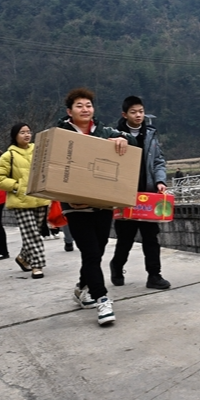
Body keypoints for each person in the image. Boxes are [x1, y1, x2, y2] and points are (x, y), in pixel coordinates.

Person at [58, 87, 136, 326]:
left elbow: (133, 140)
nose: (85, 109)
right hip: (75, 205)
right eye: (79, 106)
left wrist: (122, 139)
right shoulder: (61, 134)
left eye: (88, 105)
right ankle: (102, 299)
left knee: (98, 249)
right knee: (91, 252)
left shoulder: (103, 131)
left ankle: (82, 286)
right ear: (69, 111)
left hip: (102, 203)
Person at [109, 95, 171, 290]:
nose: (138, 115)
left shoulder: (151, 134)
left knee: (151, 237)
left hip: (148, 195)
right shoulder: (113, 135)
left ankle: (154, 275)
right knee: (125, 238)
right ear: (124, 114)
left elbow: (159, 160)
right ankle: (117, 266)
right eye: (134, 112)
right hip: (125, 197)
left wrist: (160, 181)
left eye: (141, 111)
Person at [0, 123, 51, 279]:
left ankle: (23, 258)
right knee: (32, 233)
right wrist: (16, 186)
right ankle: (37, 265)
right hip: (21, 200)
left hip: (40, 198)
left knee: (34, 233)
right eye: (22, 132)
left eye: (28, 132)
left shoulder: (39, 150)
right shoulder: (8, 155)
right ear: (15, 136)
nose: (26, 135)